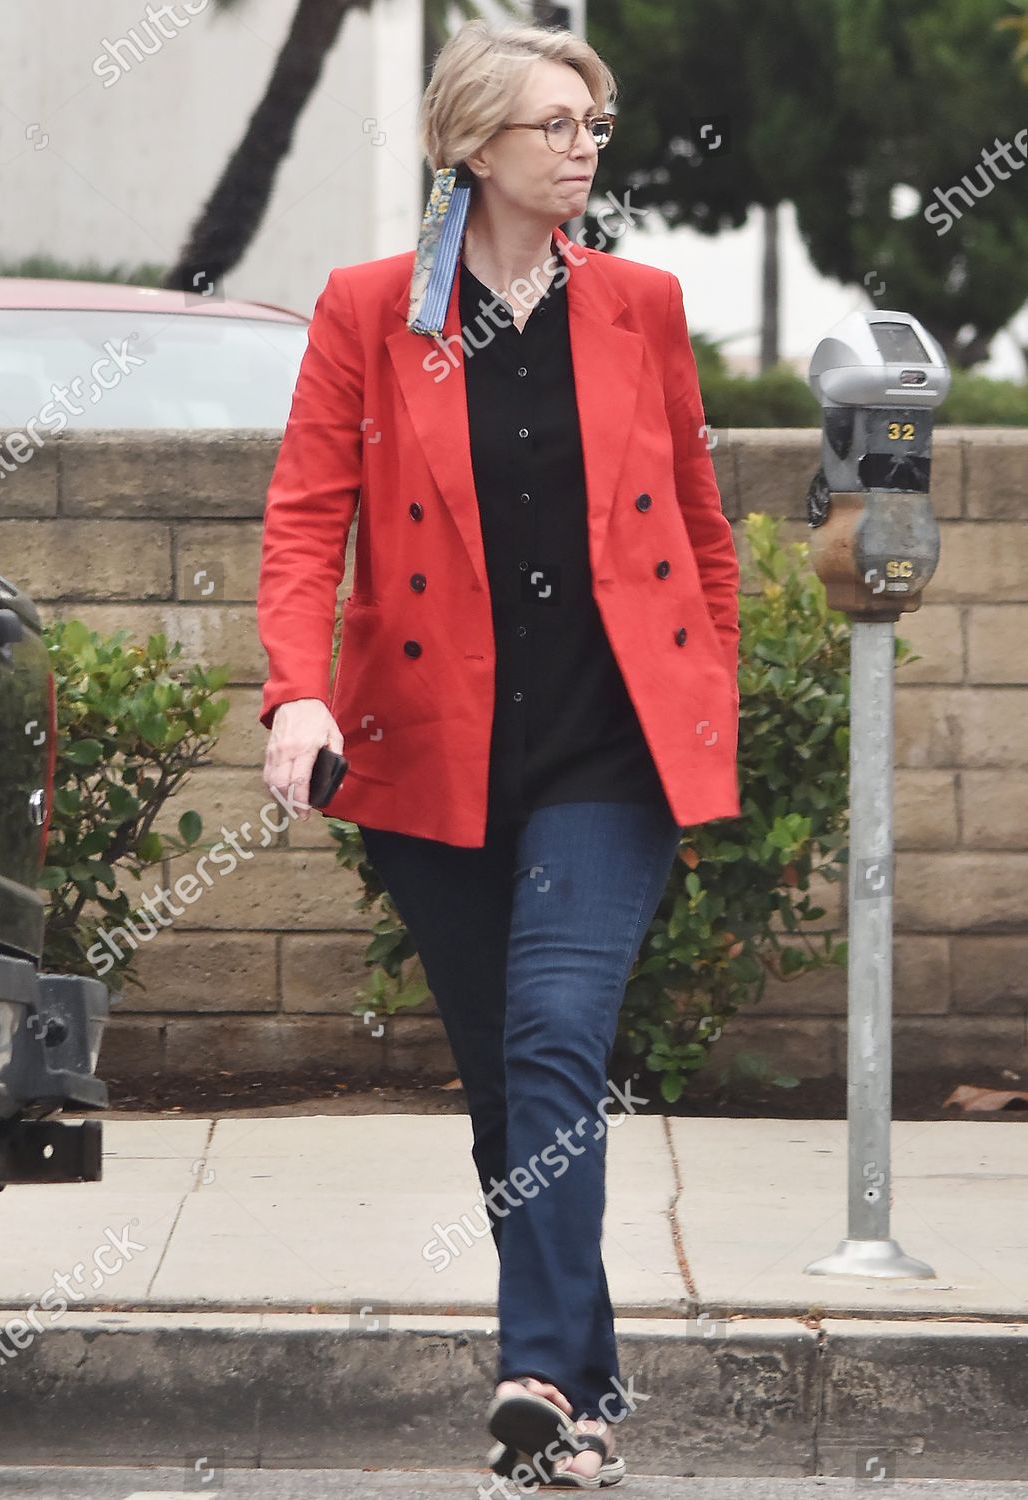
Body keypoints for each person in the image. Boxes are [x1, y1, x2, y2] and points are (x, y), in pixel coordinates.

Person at [257, 17, 741, 1488]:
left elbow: (702, 530)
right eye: (552, 122)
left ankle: (530, 1368)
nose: (583, 144)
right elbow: (302, 518)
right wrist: (298, 692)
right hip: (433, 755)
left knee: (553, 1043)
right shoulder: (367, 311)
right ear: (471, 145)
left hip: (610, 754)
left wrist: (701, 685)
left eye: (593, 120)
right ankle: (585, 1397)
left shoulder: (638, 304)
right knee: (506, 1090)